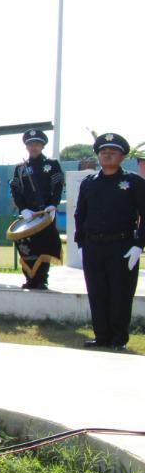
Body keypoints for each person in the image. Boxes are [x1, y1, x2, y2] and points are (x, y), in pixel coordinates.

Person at [73, 133, 145, 349]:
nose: (107, 155)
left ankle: (118, 338)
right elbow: (80, 214)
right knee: (97, 292)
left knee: (120, 293)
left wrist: (138, 245)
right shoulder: (89, 182)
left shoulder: (133, 182)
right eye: (104, 152)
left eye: (113, 152)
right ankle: (101, 336)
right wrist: (80, 243)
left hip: (122, 246)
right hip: (93, 246)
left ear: (122, 157)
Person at [9, 129, 64, 290]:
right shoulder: (20, 168)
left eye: (37, 144)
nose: (34, 147)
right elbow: (16, 190)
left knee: (45, 246)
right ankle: (29, 279)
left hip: (46, 214)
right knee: (27, 247)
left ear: (43, 146)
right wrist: (23, 209)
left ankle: (42, 279)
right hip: (28, 216)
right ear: (26, 147)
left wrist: (53, 204)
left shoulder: (52, 164)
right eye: (30, 144)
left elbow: (58, 185)